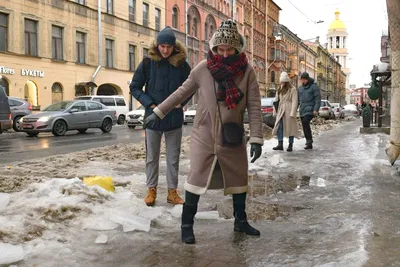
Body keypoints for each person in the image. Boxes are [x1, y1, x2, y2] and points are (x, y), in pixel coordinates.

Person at [144, 20, 263, 244]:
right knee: (195, 179)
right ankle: (187, 225)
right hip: (204, 135)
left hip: (233, 134)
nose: (225, 54)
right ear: (214, 48)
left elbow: (254, 106)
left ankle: (241, 221)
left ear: (238, 48)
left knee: (239, 178)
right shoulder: (203, 68)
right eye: (220, 49)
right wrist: (158, 112)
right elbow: (181, 93)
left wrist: (256, 138)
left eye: (229, 49)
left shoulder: (247, 72)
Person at [129, 26, 192, 206]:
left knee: (173, 158)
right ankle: (151, 191)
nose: (165, 50)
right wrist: (150, 104)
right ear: (157, 46)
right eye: (162, 46)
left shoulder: (181, 64)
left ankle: (172, 192)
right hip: (153, 119)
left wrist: (183, 101)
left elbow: (192, 85)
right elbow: (135, 87)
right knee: (151, 158)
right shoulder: (148, 63)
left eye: (169, 47)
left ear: (174, 47)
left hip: (174, 119)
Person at [272, 72, 299, 152]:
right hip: (281, 109)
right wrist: (275, 111)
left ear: (287, 81)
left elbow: (295, 101)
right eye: (281, 81)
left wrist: (292, 113)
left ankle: (290, 144)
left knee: (290, 128)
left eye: (283, 81)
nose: (282, 83)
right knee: (279, 127)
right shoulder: (279, 89)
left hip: (289, 109)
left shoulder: (292, 89)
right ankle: (280, 144)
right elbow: (276, 100)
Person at [298, 72, 321, 149]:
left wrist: (316, 109)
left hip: (310, 109)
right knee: (304, 125)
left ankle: (309, 141)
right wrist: (294, 109)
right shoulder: (300, 88)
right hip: (302, 110)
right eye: (302, 80)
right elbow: (298, 100)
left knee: (305, 121)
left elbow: (317, 99)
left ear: (307, 79)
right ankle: (309, 141)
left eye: (304, 80)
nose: (303, 81)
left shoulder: (314, 87)